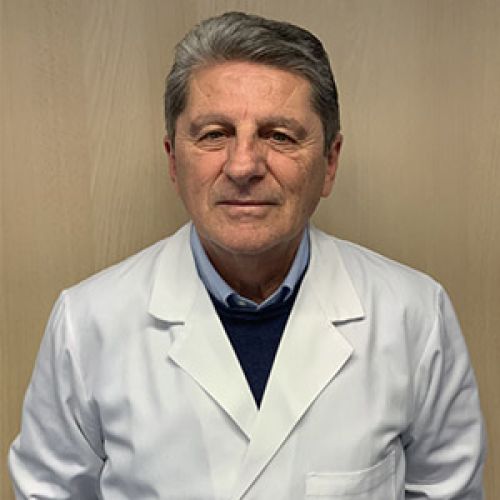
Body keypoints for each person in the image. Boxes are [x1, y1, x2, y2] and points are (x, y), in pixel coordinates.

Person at [9, 11, 486, 500]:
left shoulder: (414, 315)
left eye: (279, 135)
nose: (243, 166)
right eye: (214, 134)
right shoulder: (88, 323)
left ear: (330, 162)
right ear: (174, 160)